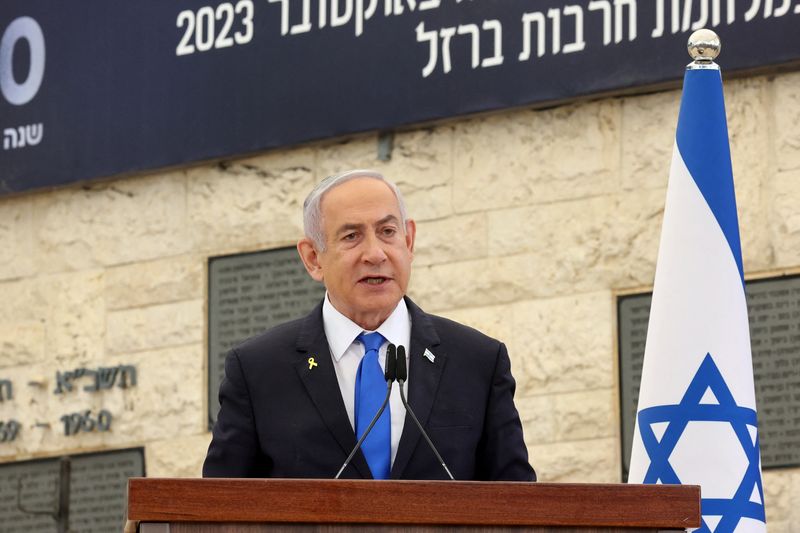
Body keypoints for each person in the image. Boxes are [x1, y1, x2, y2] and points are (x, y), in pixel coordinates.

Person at [203, 169, 535, 481]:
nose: (375, 254)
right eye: (352, 236)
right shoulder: (258, 370)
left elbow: (519, 505)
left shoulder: (477, 361)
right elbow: (216, 510)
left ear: (409, 241)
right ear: (313, 258)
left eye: (388, 232)